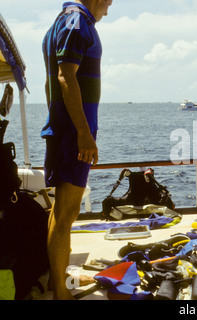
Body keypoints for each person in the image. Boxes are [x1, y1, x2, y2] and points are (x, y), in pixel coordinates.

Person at [42, 0, 113, 300]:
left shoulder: (62, 21)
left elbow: (50, 85)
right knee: (67, 212)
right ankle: (60, 291)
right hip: (73, 135)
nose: (108, 7)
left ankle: (56, 280)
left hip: (66, 130)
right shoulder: (77, 22)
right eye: (108, 0)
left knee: (61, 212)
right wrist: (83, 133)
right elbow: (64, 77)